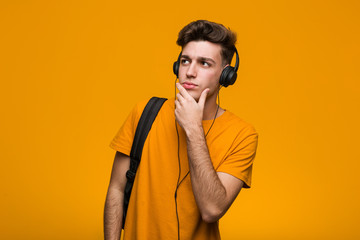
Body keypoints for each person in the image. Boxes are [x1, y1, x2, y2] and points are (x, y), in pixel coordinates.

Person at [104, 20, 258, 240]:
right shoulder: (144, 113)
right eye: (185, 61)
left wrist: (193, 128)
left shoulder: (243, 134)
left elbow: (212, 209)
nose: (190, 72)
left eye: (204, 63)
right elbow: (116, 190)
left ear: (226, 75)